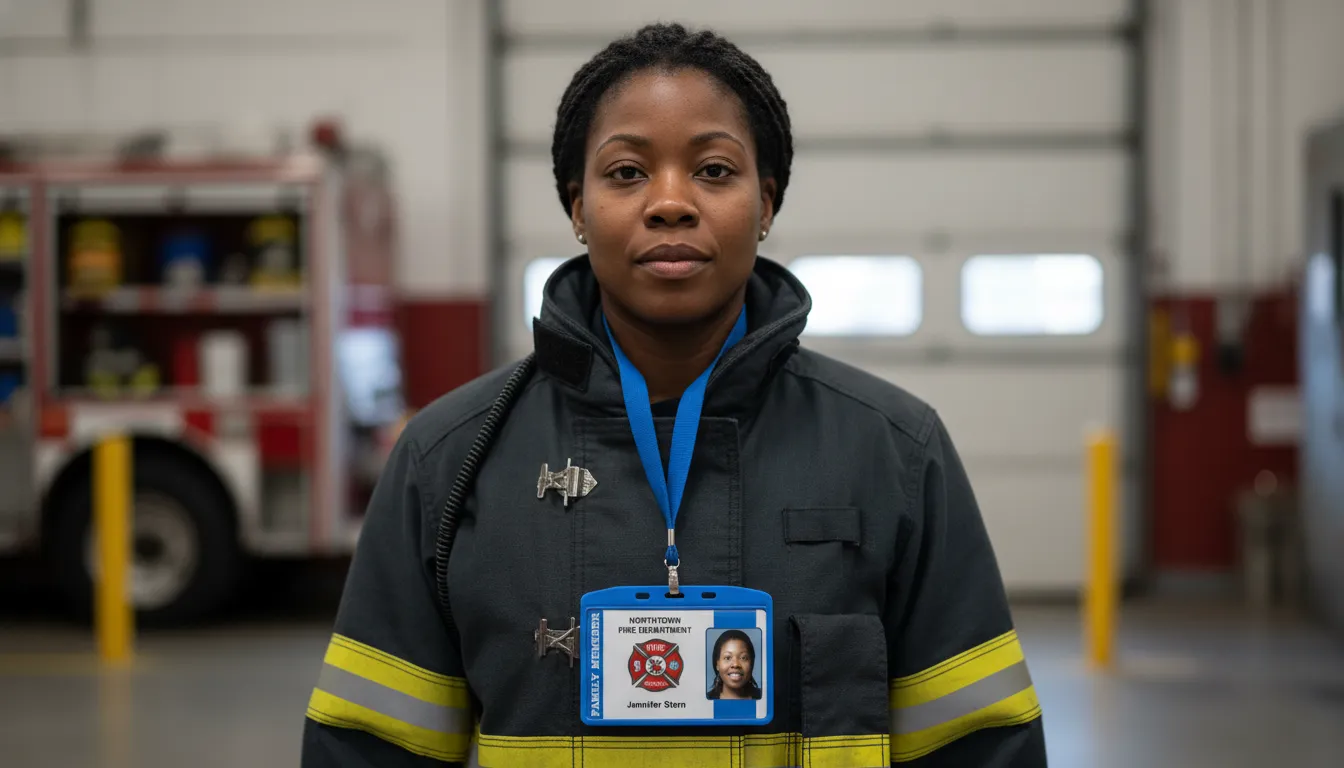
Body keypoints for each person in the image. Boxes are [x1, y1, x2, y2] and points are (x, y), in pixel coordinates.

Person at [302, 21, 1047, 767]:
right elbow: (367, 749)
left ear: (766, 203)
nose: (669, 203)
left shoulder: (894, 451)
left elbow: (979, 746)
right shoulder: (447, 460)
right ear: (577, 209)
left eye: (715, 171)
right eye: (626, 173)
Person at [707, 630, 762, 700]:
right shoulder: (704, 701)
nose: (735, 664)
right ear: (717, 664)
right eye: (727, 658)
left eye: (743, 658)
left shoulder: (766, 698)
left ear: (752, 663)